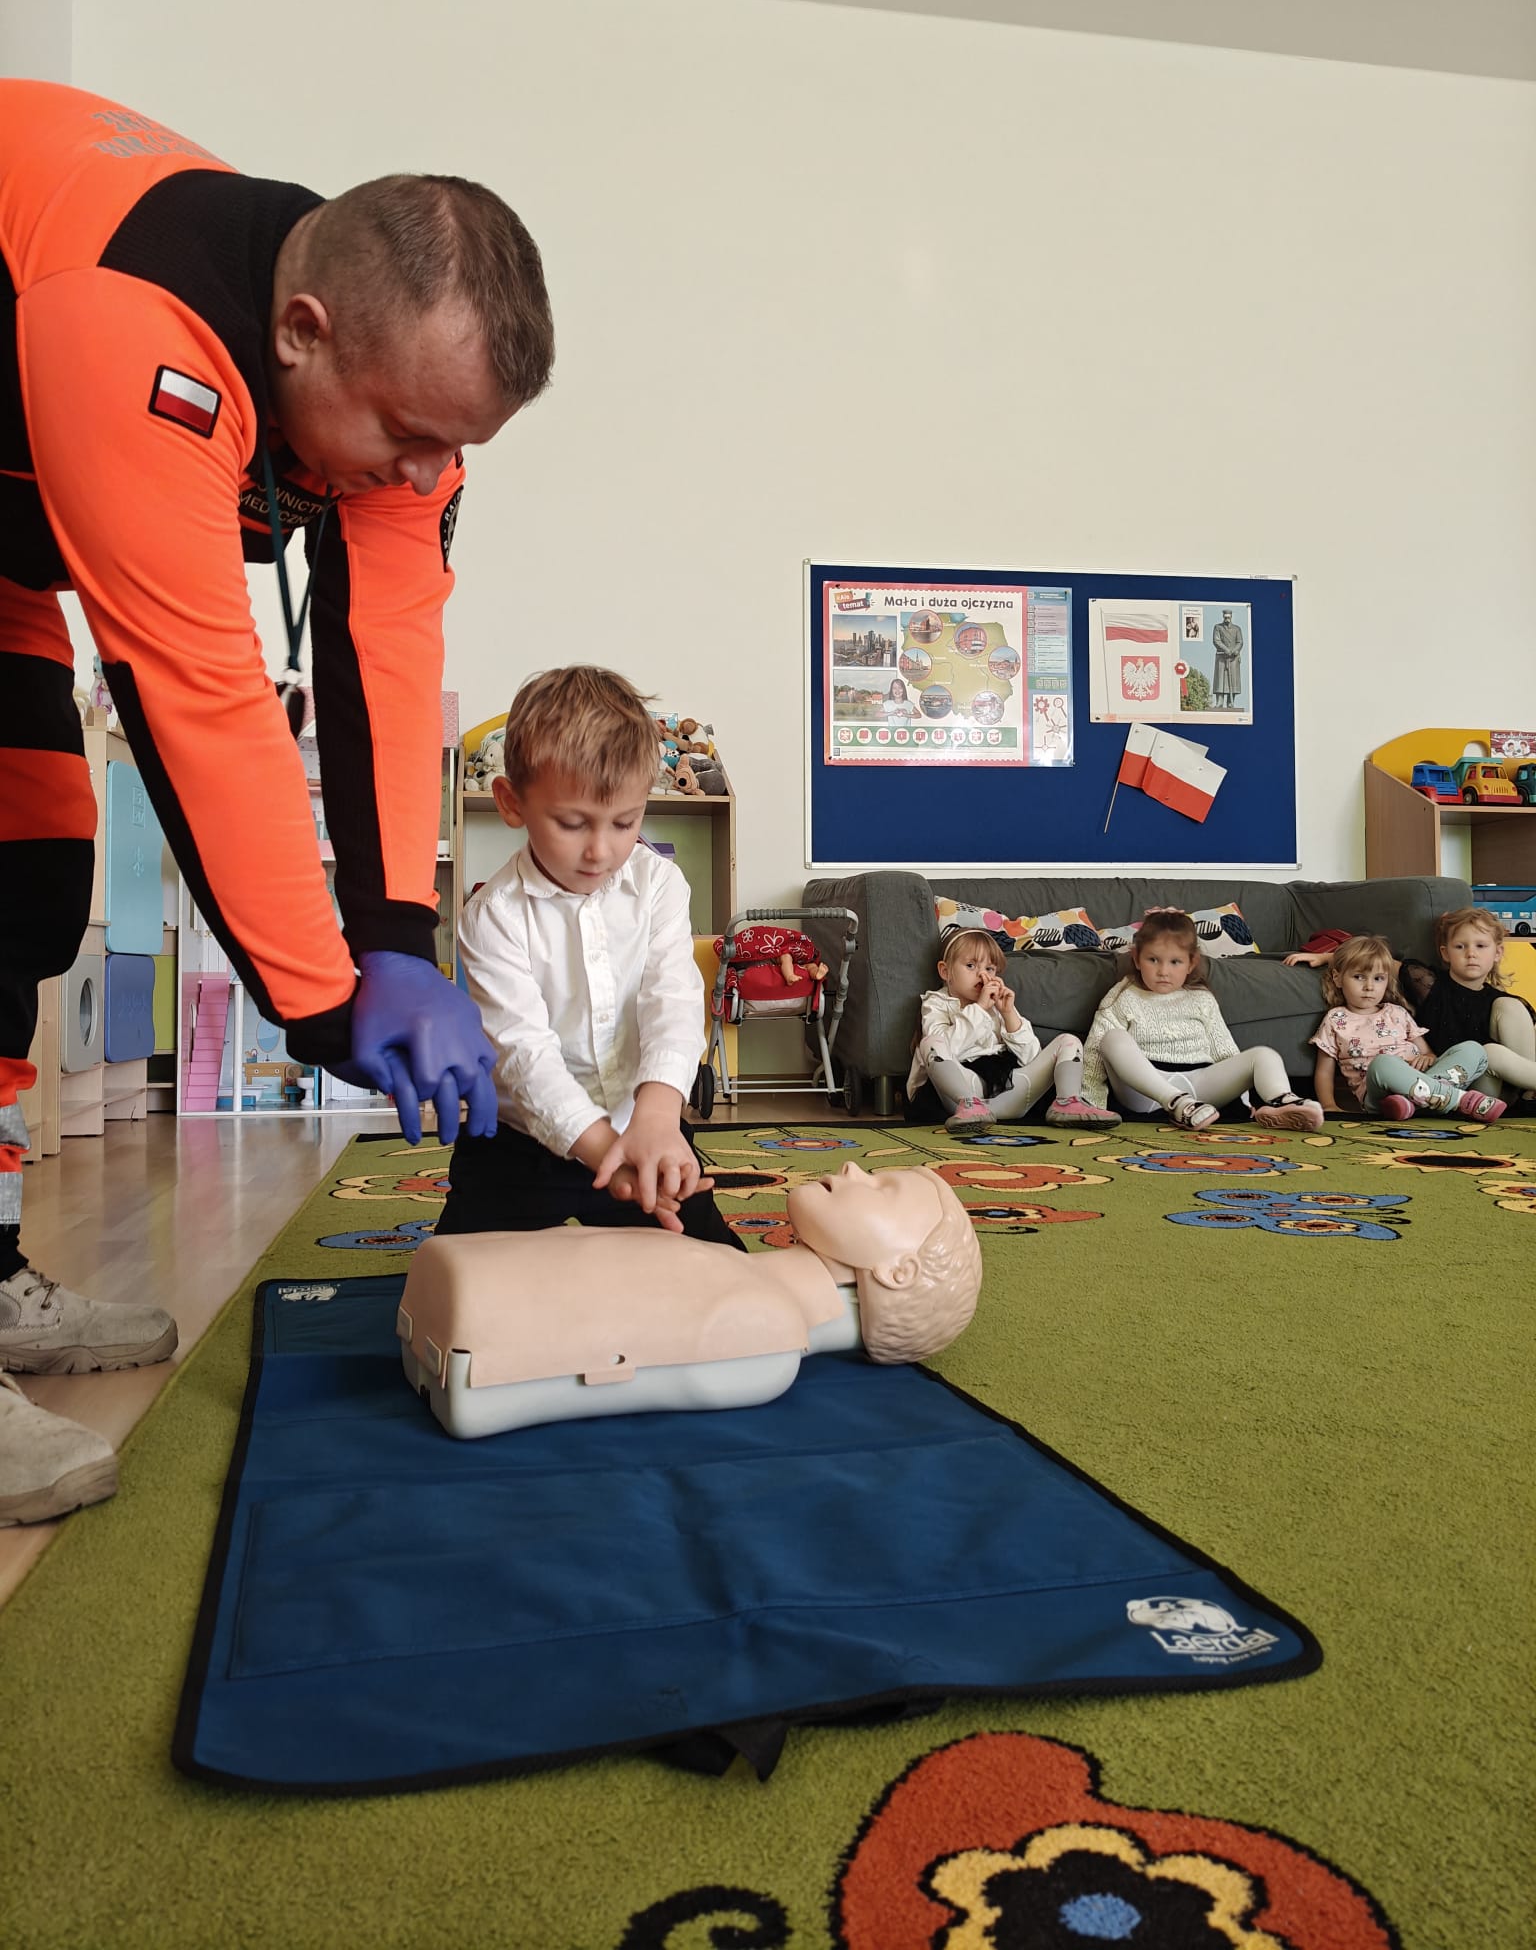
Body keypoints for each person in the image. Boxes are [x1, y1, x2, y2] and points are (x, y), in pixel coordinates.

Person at [0, 81, 555, 1527]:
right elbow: (199, 691)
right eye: (411, 434)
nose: (429, 474)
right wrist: (321, 1002)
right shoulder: (143, 325)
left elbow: (387, 655)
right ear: (301, 331)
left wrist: (398, 937)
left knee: (27, 880)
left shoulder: (381, 381)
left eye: (457, 448)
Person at [434, 666, 743, 1248]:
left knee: (720, 1265)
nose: (601, 850)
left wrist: (657, 1120)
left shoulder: (659, 885)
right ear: (511, 803)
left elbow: (673, 1002)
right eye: (572, 824)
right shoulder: (492, 915)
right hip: (522, 1141)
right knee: (459, 1275)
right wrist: (606, 1153)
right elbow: (524, 1056)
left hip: (642, 1127)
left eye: (625, 822)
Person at [402, 1161, 983, 1438]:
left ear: (899, 1272)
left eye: (882, 1188)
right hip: (473, 1283)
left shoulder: (770, 1334)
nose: (855, 1167)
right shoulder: (750, 1291)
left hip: (480, 1309)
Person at [1081, 911, 1324, 1131]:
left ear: (1191, 963)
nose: (1163, 971)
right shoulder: (1123, 996)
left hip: (1199, 1086)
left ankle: (1282, 1101)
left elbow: (1225, 1050)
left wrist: (1241, 1103)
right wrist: (1091, 1105)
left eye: (1175, 962)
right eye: (1153, 960)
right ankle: (1176, 1103)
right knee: (1112, 1039)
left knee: (1264, 1055)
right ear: (1136, 959)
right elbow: (1094, 1053)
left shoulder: (1201, 998)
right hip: (1147, 1092)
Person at [1284, 908, 1536, 1105]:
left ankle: (1529, 1094)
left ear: (1497, 953)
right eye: (1460, 946)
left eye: (1480, 946)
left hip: (1490, 1083)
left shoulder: (1501, 1003)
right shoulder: (1428, 983)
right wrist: (1327, 957)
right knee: (1485, 1051)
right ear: (1445, 952)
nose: (1471, 953)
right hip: (1447, 1085)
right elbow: (1375, 962)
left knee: (1502, 1023)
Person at [908, 926, 1120, 1135]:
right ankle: (970, 1106)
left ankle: (1068, 1102)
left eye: (989, 969)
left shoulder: (998, 1004)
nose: (982, 975)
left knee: (1068, 1041)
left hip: (1012, 1094)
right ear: (945, 971)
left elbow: (1031, 1057)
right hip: (962, 1095)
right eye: (971, 966)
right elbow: (949, 1049)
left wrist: (1009, 1014)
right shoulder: (935, 1003)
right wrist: (979, 1009)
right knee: (930, 1043)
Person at [1308, 935, 1504, 1121]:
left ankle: (1414, 1104)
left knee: (1474, 1049)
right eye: (1359, 977)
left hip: (1421, 1082)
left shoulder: (1396, 1012)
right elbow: (1324, 1071)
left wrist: (1427, 1057)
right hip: (1380, 1093)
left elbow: (1428, 1053)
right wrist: (1328, 1105)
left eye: (1378, 978)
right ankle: (1459, 1100)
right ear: (1337, 978)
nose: (1369, 986)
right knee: (1383, 1063)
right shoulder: (1335, 1019)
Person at [1212, 609, 1244, 710]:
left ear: (1231, 617)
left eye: (1229, 617)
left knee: (1233, 680)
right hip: (1221, 657)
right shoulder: (1218, 627)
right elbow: (1216, 640)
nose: (1227, 619)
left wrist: (1234, 650)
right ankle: (1219, 702)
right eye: (1225, 617)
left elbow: (1240, 642)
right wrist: (1226, 650)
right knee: (1220, 680)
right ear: (1223, 617)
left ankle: (1230, 702)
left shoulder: (1237, 629)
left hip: (1233, 658)